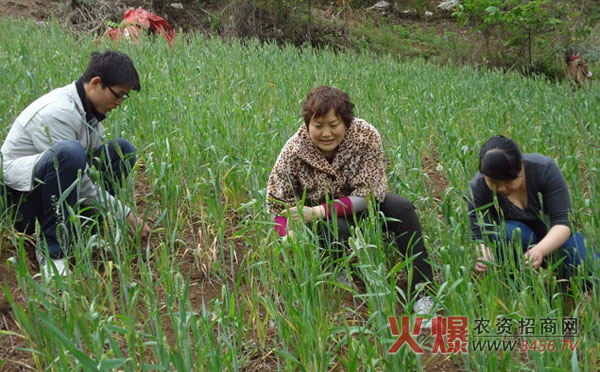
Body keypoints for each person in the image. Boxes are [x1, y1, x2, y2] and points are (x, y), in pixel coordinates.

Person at [266, 86, 435, 317]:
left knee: (402, 208)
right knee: (336, 227)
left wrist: (319, 210)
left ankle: (422, 292)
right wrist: (287, 234)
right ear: (307, 125)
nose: (326, 133)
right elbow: (277, 201)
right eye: (318, 126)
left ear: (347, 122)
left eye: (334, 125)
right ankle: (340, 278)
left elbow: (368, 194)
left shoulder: (366, 136)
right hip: (325, 223)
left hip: (364, 207)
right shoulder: (294, 151)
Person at [1, 50, 150, 277]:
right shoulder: (58, 112)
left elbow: (87, 169)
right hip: (21, 203)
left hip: (51, 187)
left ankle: (85, 232)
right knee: (70, 154)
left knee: (122, 152)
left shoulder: (88, 111)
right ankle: (52, 253)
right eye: (118, 95)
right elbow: (79, 181)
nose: (119, 103)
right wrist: (125, 213)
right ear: (96, 83)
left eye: (124, 98)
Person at [467, 135, 591, 276]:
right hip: (515, 245)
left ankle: (560, 278)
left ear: (521, 166)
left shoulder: (544, 169)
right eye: (493, 182)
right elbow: (480, 236)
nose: (501, 188)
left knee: (591, 270)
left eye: (507, 181)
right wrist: (485, 256)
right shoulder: (478, 187)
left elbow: (563, 222)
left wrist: (540, 250)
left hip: (554, 239)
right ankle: (522, 279)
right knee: (509, 232)